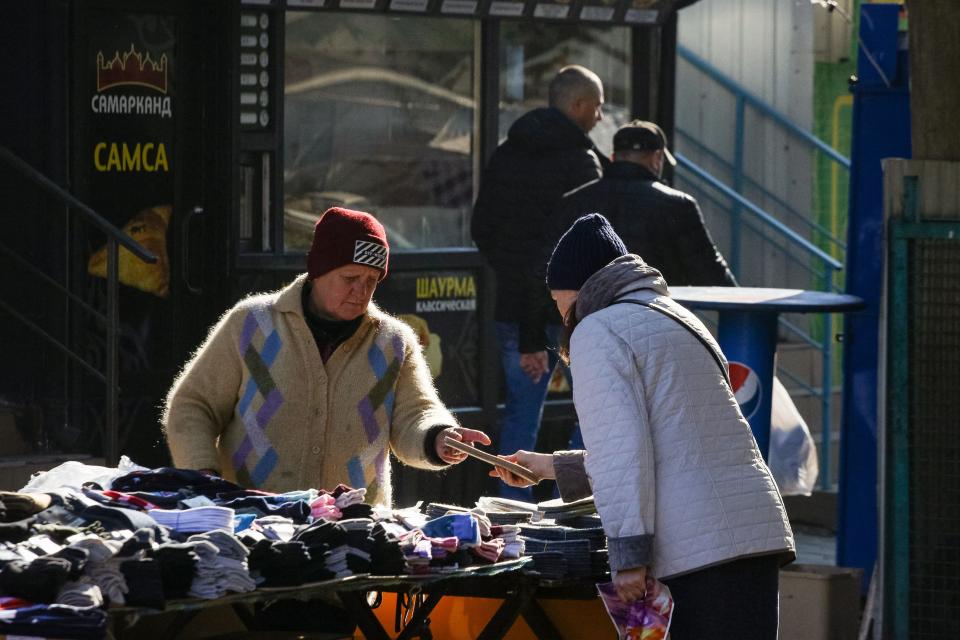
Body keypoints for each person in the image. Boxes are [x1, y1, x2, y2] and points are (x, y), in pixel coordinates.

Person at [493, 214, 795, 640]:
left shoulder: (597, 330)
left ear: (579, 293)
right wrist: (547, 467)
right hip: (753, 535)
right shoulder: (675, 315)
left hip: (697, 551)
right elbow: (665, 444)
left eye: (560, 304)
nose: (561, 318)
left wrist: (629, 553)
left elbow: (624, 453)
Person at [164, 207, 490, 508]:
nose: (360, 291)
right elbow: (193, 406)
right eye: (350, 279)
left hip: (356, 531)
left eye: (371, 282)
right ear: (319, 270)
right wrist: (202, 475)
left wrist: (439, 437)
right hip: (253, 520)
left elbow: (416, 414)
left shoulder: (393, 341)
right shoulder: (251, 324)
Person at [471, 64, 607, 499]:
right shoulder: (580, 163)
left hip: (512, 309)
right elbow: (582, 246)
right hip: (569, 315)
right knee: (597, 415)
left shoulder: (507, 153)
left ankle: (507, 520)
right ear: (579, 105)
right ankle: (585, 508)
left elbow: (483, 229)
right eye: (598, 107)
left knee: (520, 418)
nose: (600, 118)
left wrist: (513, 280)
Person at [557, 119, 736, 287]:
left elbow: (548, 267)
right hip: (657, 314)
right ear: (656, 158)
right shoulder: (678, 205)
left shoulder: (575, 201)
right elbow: (710, 274)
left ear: (613, 157)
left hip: (587, 316)